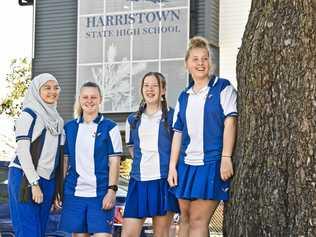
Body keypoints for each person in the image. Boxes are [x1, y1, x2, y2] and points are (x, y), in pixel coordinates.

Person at [167, 36, 238, 237]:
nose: (200, 63)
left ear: (210, 62)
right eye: (195, 59)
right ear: (187, 64)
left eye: (204, 59)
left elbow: (230, 122)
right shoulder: (184, 96)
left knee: (199, 220)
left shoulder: (223, 87)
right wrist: (172, 167)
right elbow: (178, 134)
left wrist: (226, 157)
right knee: (185, 220)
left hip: (212, 163)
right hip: (186, 165)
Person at [59, 82, 122, 237]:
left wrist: (111, 191)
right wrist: (59, 191)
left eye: (93, 97)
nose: (89, 100)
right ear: (79, 100)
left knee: (103, 235)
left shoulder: (110, 127)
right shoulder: (69, 128)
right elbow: (65, 162)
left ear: (100, 99)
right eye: (85, 97)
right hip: (74, 194)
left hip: (101, 193)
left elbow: (115, 162)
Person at [122, 72, 179, 237]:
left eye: (155, 85)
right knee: (128, 234)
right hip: (138, 181)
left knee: (160, 234)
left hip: (163, 180)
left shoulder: (174, 117)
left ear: (163, 90)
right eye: (146, 85)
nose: (150, 89)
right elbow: (133, 149)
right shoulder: (132, 120)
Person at [8, 73, 64, 237]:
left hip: (48, 180)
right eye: (47, 88)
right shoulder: (29, 115)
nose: (52, 91)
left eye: (55, 88)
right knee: (28, 232)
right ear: (36, 91)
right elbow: (23, 151)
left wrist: (56, 191)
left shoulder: (58, 120)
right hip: (25, 178)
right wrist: (34, 184)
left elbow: (57, 159)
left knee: (39, 232)